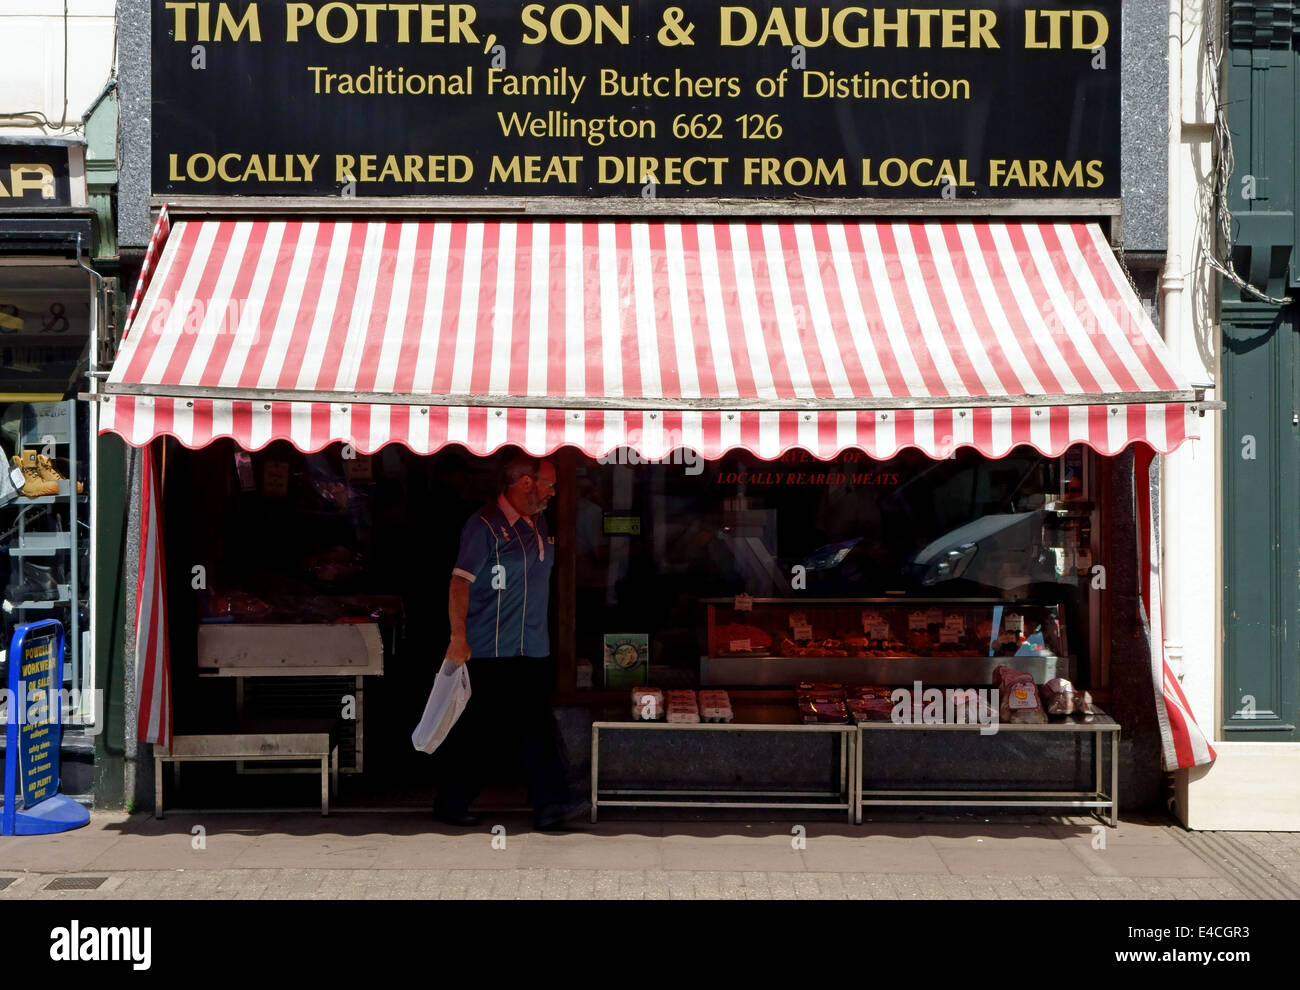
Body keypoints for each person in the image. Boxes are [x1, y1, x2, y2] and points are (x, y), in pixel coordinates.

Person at [433, 453, 580, 830]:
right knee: (481, 727)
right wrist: (458, 637)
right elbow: (459, 582)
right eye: (548, 484)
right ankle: (451, 801)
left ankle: (551, 803)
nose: (552, 493)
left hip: (532, 647)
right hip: (489, 648)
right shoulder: (483, 526)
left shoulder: (540, 522)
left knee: (535, 724)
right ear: (524, 482)